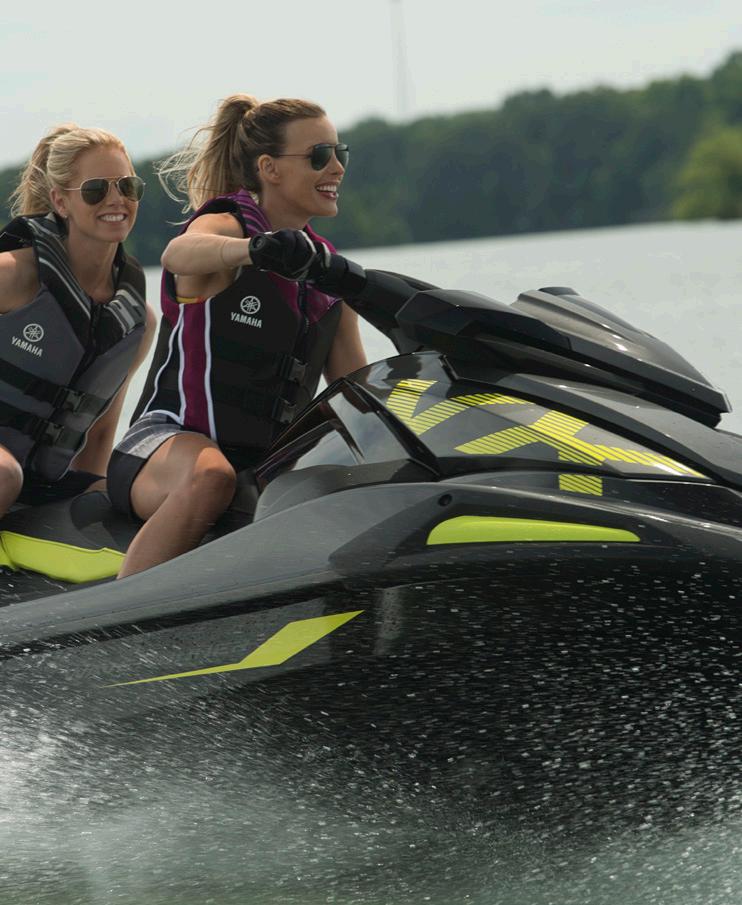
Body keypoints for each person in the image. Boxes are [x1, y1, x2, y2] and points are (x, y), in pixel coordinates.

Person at [108, 95, 367, 578]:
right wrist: (254, 249)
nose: (336, 167)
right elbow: (178, 254)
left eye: (340, 153)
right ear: (269, 168)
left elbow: (357, 394)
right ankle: (114, 619)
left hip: (261, 464)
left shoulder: (327, 275)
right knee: (213, 476)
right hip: (162, 445)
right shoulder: (228, 225)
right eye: (319, 155)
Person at [0, 124, 156, 519]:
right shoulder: (11, 276)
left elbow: (100, 435)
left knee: (135, 495)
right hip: (4, 473)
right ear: (60, 201)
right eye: (95, 189)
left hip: (42, 482)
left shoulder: (137, 322)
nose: (116, 199)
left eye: (128, 186)